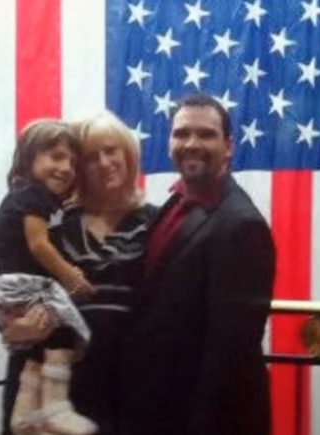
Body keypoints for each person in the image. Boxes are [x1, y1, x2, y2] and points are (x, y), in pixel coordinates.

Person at [118, 93, 276, 435]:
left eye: (206, 134)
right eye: (181, 133)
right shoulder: (174, 204)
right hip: (157, 406)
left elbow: (230, 353)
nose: (191, 143)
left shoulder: (241, 225)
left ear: (228, 146)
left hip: (202, 418)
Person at [2, 112, 156, 435]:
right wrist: (12, 326)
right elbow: (12, 276)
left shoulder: (156, 222)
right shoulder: (52, 219)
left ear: (129, 155)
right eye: (90, 157)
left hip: (126, 378)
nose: (103, 163)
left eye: (111, 150)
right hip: (53, 375)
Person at [0, 119, 98, 435]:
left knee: (50, 344)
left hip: (101, 380)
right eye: (56, 157)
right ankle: (54, 409)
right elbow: (38, 246)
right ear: (28, 157)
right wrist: (71, 276)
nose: (66, 168)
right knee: (65, 333)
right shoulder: (37, 199)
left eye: (73, 162)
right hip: (29, 301)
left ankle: (27, 413)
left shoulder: (42, 204)